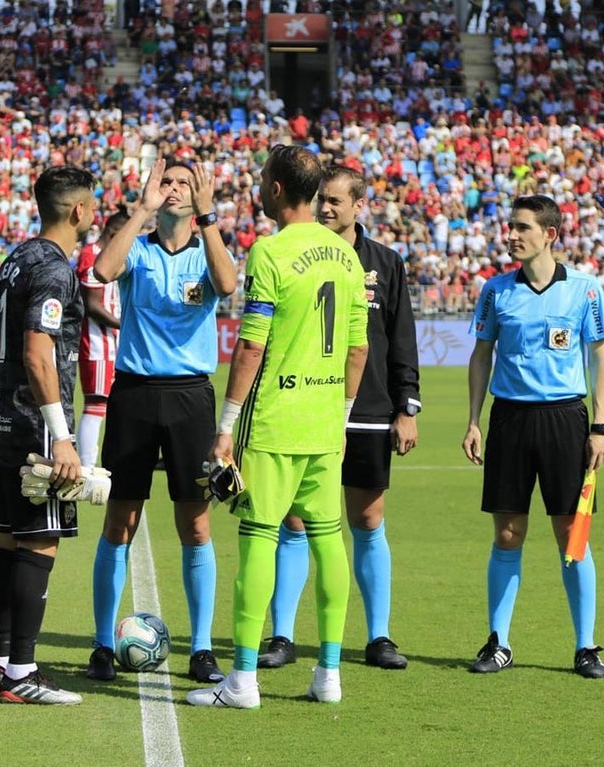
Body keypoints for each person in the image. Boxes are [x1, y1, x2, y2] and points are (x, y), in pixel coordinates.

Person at [187, 145, 369, 708]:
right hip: (325, 422)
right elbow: (358, 350)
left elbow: (251, 346)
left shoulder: (269, 252)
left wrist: (226, 425)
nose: (259, 187)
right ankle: (329, 674)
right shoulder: (347, 256)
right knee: (328, 540)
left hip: (274, 421)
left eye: (263, 179)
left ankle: (242, 680)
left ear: (277, 189)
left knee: (259, 540)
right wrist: (341, 417)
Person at [257, 165, 421, 672]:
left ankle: (379, 637)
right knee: (295, 521)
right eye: (321, 199)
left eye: (336, 201)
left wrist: (406, 406)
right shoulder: (295, 253)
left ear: (359, 205)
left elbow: (401, 338)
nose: (326, 208)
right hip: (307, 404)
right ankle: (282, 635)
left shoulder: (385, 263)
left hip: (367, 410)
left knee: (367, 519)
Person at [86, 158, 238, 684]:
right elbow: (102, 271)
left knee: (195, 525)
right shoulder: (140, 248)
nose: (172, 189)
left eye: (183, 183)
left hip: (190, 397)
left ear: (198, 195)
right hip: (134, 394)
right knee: (119, 522)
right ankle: (102, 644)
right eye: (166, 181)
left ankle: (202, 648)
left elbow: (227, 283)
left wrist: (209, 216)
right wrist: (140, 211)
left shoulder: (207, 247)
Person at [461, 194, 604, 679]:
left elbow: (600, 356)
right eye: (510, 226)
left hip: (565, 419)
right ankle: (498, 642)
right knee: (507, 532)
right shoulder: (496, 290)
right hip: (509, 420)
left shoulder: (585, 290)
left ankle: (585, 646)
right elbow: (481, 355)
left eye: (522, 227)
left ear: (549, 234)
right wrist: (474, 420)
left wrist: (600, 426)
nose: (511, 235)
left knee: (572, 534)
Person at [0, 165, 97, 705]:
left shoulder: (16, 259)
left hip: (4, 420)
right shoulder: (53, 269)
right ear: (78, 210)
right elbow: (36, 353)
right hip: (36, 427)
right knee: (39, 542)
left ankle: (4, 662)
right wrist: (62, 436)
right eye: (92, 204)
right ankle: (21, 673)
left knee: (9, 538)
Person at [75, 211, 127, 469]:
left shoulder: (115, 257)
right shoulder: (91, 254)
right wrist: (126, 324)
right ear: (115, 233)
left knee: (118, 404)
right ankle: (85, 467)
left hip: (115, 343)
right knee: (96, 403)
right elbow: (92, 305)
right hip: (97, 344)